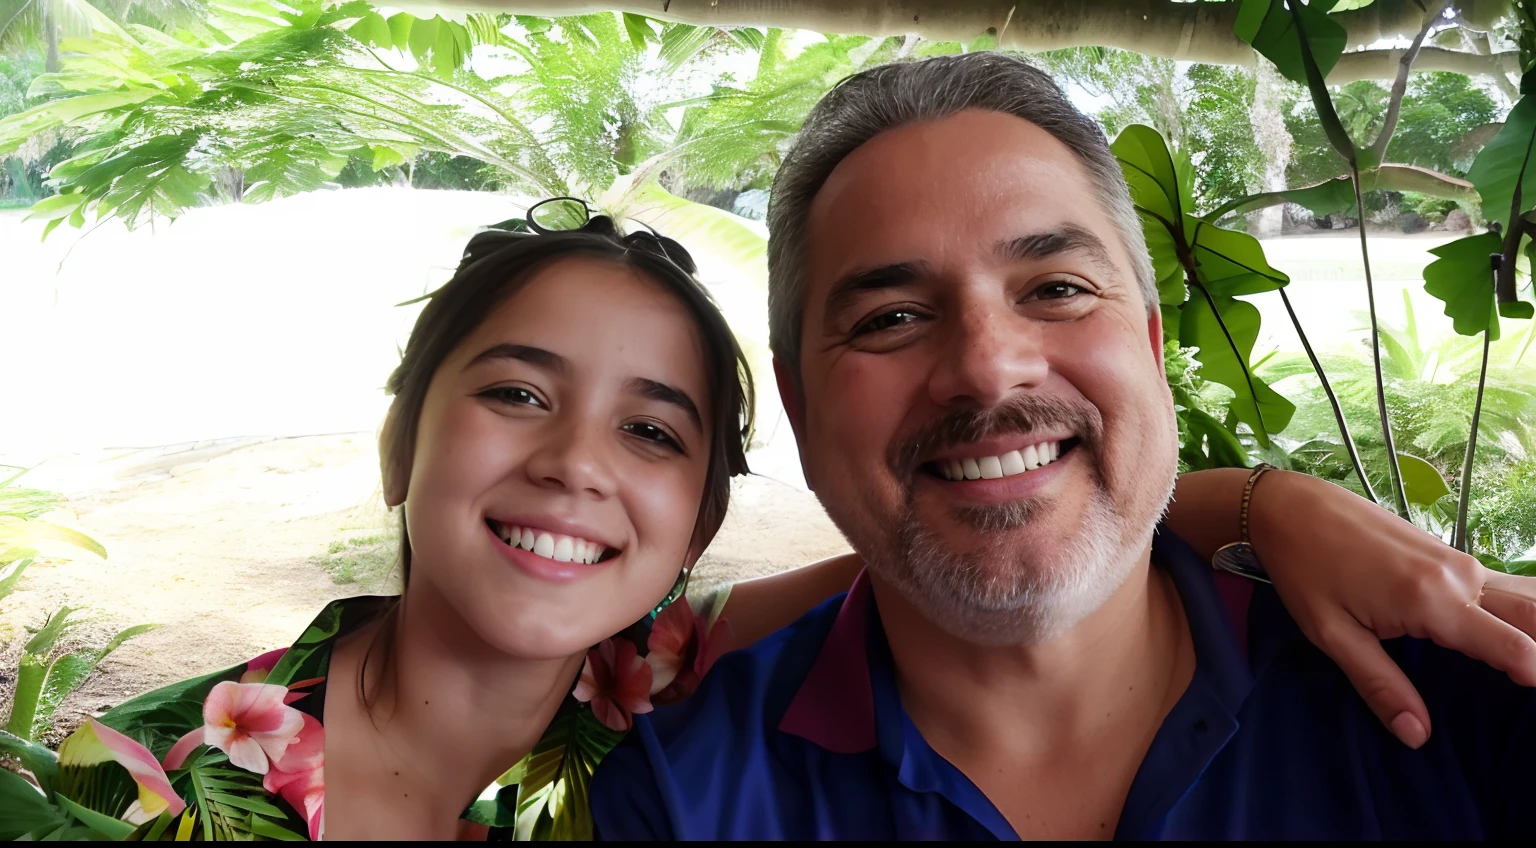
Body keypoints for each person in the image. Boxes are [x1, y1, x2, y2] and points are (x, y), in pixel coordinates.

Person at [41, 202, 1526, 839]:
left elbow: (986, 517)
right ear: (399, 442)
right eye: (515, 393)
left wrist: (1270, 502)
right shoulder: (130, 782)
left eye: (652, 430)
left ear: (691, 522)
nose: (577, 465)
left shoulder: (658, 687)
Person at [589, 53, 1536, 840]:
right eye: (893, 316)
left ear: (1154, 350)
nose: (989, 368)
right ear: (798, 406)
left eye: (1056, 288)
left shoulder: (1467, 701)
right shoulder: (682, 798)